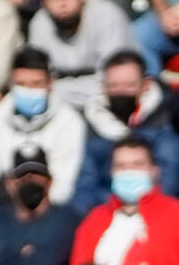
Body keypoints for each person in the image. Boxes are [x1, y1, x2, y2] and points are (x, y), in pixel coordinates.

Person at [66, 137, 179, 265]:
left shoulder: (173, 215)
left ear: (154, 170)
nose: (129, 172)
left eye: (137, 165)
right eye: (121, 166)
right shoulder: (96, 219)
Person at [0, 48, 85, 221]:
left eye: (36, 84)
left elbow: (64, 183)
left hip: (50, 216)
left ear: (50, 84)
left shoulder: (69, 122)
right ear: (11, 84)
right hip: (2, 212)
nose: (29, 90)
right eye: (21, 84)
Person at [76, 52, 179, 214]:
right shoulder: (93, 123)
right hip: (107, 212)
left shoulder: (164, 120)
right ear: (103, 87)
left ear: (146, 85)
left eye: (129, 85)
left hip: (156, 212)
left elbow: (169, 179)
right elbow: (86, 186)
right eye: (114, 86)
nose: (121, 92)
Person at [30, 0, 134, 114]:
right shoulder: (39, 23)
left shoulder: (107, 15)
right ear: (43, 1)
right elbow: (37, 82)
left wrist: (58, 90)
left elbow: (114, 82)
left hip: (114, 102)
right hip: (58, 108)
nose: (62, 3)